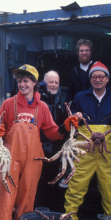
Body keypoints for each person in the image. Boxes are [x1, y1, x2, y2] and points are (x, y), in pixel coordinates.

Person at [0, 64, 78, 220]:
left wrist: (65, 126)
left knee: (27, 203)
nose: (22, 85)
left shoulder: (43, 107)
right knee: (5, 203)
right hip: (10, 161)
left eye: (26, 81)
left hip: (33, 161)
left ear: (34, 83)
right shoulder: (8, 104)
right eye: (20, 81)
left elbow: (53, 132)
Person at [65, 62, 111, 220]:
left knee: (109, 186)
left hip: (106, 152)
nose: (97, 79)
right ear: (90, 79)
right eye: (94, 76)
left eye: (101, 76)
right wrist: (75, 115)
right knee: (76, 184)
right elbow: (70, 113)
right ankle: (68, 219)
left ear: (107, 79)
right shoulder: (80, 97)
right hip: (84, 150)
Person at [35, 71, 67, 209]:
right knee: (38, 181)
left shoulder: (60, 99)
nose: (54, 85)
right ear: (43, 83)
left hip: (56, 149)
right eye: (51, 82)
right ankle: (37, 210)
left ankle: (53, 212)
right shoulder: (37, 99)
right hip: (39, 148)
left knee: (54, 180)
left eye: (56, 83)